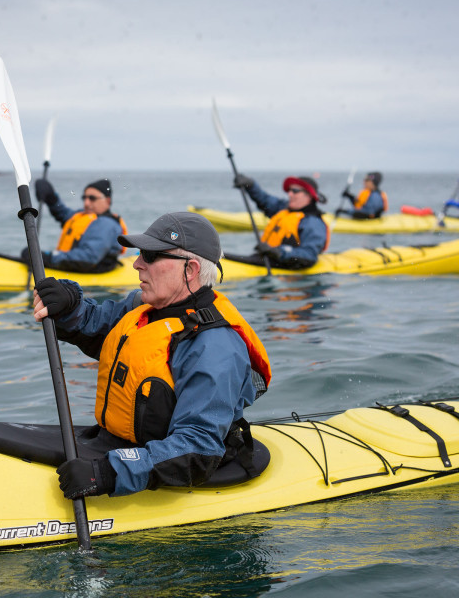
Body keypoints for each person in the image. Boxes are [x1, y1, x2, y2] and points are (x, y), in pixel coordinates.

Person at [33, 212, 272, 499]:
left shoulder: (215, 347)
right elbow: (94, 324)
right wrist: (68, 303)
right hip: (120, 443)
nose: (136, 264)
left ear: (190, 269)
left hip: (174, 462)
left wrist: (107, 473)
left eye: (150, 255)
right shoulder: (145, 309)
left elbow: (198, 447)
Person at [25, 178, 127, 272]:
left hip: (89, 272)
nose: (86, 203)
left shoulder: (107, 224)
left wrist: (47, 257)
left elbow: (87, 258)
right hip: (70, 266)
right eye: (84, 198)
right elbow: (62, 213)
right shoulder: (82, 216)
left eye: (92, 198)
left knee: (30, 254)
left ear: (107, 201)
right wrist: (51, 197)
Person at [233, 173, 330, 269]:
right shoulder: (284, 208)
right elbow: (265, 200)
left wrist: (278, 251)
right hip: (266, 260)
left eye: (295, 191)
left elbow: (309, 255)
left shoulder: (313, 223)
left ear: (309, 195)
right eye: (290, 190)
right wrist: (251, 185)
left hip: (287, 267)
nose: (290, 194)